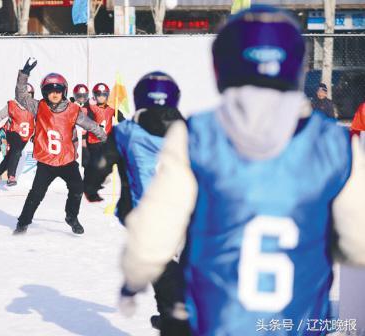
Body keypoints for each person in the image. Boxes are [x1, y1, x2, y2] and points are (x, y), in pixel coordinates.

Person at [119, 6, 365, 336]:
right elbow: (359, 242)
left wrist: (133, 278)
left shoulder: (198, 136)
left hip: (218, 323)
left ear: (221, 65)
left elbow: (152, 237)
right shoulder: (334, 145)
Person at [83, 72, 188, 334]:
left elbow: (100, 163)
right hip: (188, 219)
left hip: (147, 221)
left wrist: (91, 187)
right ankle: (174, 315)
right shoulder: (192, 129)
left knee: (162, 275)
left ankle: (171, 319)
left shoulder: (127, 132)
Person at [13, 57, 107, 235]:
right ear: (44, 92)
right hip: (46, 162)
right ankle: (23, 223)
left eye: (58, 90)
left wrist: (104, 137)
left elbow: (90, 124)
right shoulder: (38, 107)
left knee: (77, 188)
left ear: (64, 91)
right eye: (50, 90)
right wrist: (24, 73)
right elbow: (21, 95)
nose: (54, 94)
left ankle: (71, 217)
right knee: (36, 195)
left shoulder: (73, 110)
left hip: (67, 161)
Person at [0, 84, 36, 186]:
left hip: (24, 138)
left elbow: (40, 121)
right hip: (10, 133)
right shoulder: (12, 105)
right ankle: (11, 176)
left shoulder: (34, 107)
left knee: (11, 156)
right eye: (24, 96)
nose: (27, 99)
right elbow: (0, 115)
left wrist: (36, 134)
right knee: (4, 149)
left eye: (29, 95)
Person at [71, 84, 91, 168]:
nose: (82, 98)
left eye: (84, 96)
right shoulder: (70, 106)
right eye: (79, 96)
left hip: (84, 137)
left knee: (86, 158)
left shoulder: (89, 107)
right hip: (73, 136)